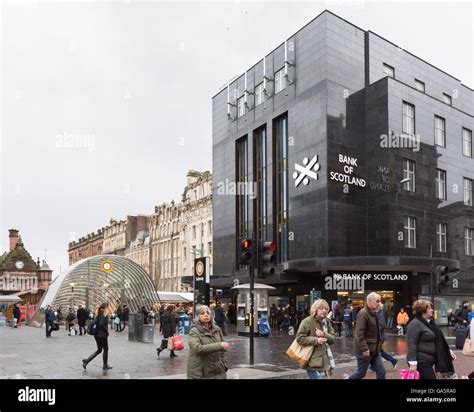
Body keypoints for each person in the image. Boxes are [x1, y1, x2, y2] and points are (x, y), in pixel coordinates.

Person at [407, 299, 456, 379]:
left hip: (429, 360)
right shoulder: (415, 324)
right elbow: (412, 343)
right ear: (423, 310)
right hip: (421, 360)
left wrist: (448, 351)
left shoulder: (430, 323)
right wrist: (413, 363)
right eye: (429, 308)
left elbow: (438, 339)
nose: (432, 310)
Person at [295, 299, 336, 379]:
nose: (324, 311)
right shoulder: (307, 321)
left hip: (325, 360)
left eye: (326, 309)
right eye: (321, 308)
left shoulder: (327, 322)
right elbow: (299, 338)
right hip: (312, 361)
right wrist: (316, 340)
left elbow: (333, 339)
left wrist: (324, 334)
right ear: (315, 309)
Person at [348, 292, 385, 380]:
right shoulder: (363, 313)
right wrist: (365, 349)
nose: (379, 303)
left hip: (375, 350)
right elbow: (359, 333)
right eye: (377, 301)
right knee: (361, 374)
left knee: (381, 372)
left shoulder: (374, 313)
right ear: (370, 301)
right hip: (365, 351)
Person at [187, 305, 229, 379]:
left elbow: (223, 350)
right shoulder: (194, 331)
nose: (206, 315)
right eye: (202, 313)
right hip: (201, 373)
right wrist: (219, 345)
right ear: (198, 317)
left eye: (208, 313)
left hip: (218, 372)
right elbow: (197, 349)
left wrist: (224, 365)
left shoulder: (216, 329)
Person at [82, 303, 112, 370]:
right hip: (102, 335)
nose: (108, 309)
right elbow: (101, 324)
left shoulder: (98, 313)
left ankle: (86, 361)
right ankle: (105, 365)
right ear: (105, 307)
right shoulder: (104, 313)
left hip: (96, 334)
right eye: (107, 307)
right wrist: (106, 331)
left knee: (99, 350)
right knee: (105, 349)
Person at [375, 302, 398, 370]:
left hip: (380, 337)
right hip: (379, 337)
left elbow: (382, 325)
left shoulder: (380, 313)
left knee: (377, 352)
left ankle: (376, 366)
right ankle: (393, 361)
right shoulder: (378, 313)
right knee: (378, 351)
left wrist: (375, 331)